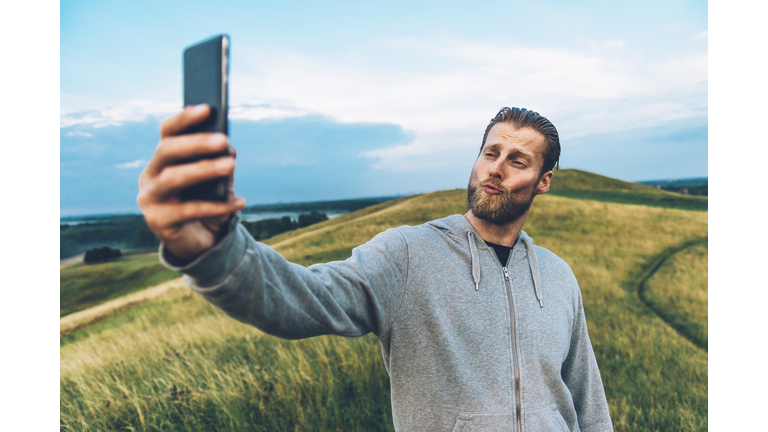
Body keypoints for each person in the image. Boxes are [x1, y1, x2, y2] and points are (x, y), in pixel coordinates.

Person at [138, 106, 614, 431]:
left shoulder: (557, 276)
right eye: (490, 153)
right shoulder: (408, 254)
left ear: (543, 180)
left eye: (517, 160)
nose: (496, 169)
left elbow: (586, 400)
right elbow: (302, 299)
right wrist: (214, 248)